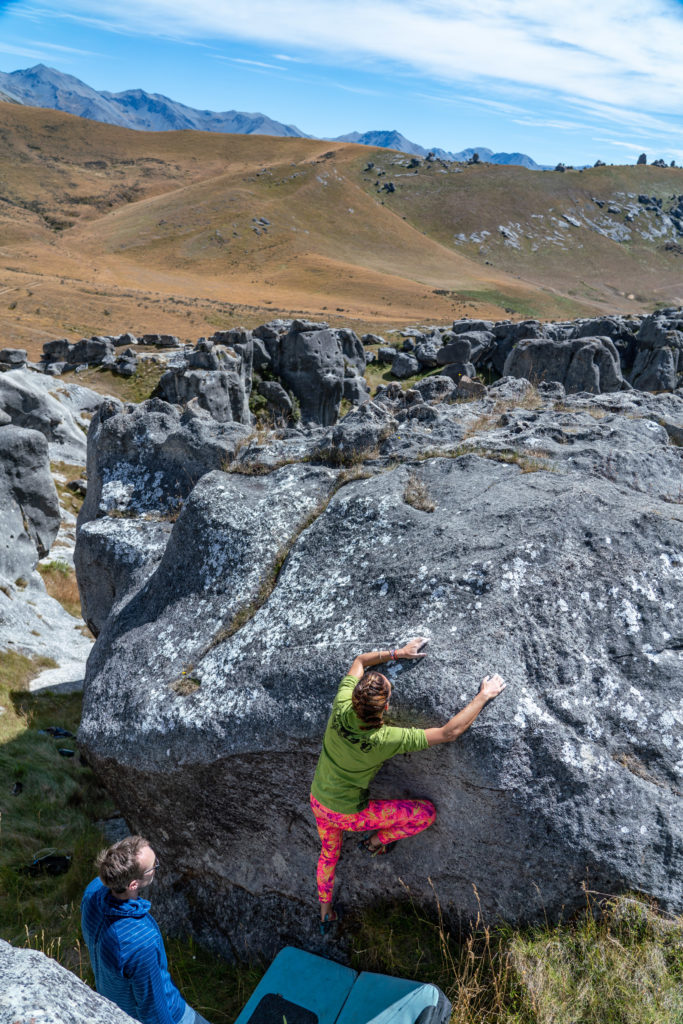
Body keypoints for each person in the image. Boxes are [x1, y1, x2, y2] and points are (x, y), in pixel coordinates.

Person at [310, 638, 506, 932]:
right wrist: (483, 696)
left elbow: (360, 661)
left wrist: (396, 653)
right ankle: (377, 842)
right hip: (350, 813)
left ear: (353, 698)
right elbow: (449, 733)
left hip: (318, 801)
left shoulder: (340, 707)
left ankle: (325, 909)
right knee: (424, 814)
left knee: (329, 852)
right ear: (386, 707)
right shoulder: (386, 738)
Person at [81, 835, 212, 1024]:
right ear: (133, 884)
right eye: (154, 866)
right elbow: (153, 1009)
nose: (156, 868)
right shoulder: (138, 940)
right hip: (173, 1016)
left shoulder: (92, 892)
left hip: (113, 1000)